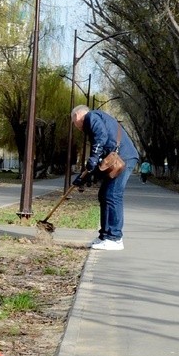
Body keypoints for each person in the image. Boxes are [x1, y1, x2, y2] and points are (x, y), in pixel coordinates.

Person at [71, 105, 139, 251]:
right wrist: (84, 177)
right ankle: (104, 236)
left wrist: (94, 157)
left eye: (74, 123)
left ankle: (115, 238)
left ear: (77, 116)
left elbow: (100, 137)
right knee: (104, 195)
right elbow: (101, 155)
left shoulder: (91, 117)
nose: (77, 127)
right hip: (119, 158)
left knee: (113, 195)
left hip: (123, 158)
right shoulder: (98, 119)